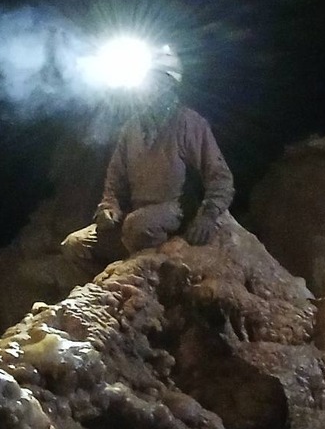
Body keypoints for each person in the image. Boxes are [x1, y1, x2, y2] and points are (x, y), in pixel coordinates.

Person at [62, 46, 233, 266]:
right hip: (137, 217)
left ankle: (154, 279)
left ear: (170, 84)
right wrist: (108, 209)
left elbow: (220, 176)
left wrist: (208, 214)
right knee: (75, 244)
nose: (148, 90)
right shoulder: (131, 129)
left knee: (138, 226)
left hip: (176, 212)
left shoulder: (188, 123)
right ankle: (115, 287)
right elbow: (114, 183)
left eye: (155, 83)